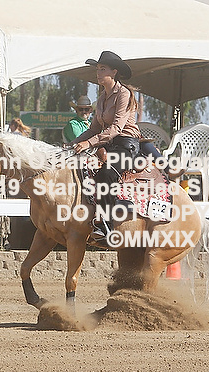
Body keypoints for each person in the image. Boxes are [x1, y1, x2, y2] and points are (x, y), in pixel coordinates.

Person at [69, 51, 142, 240]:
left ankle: (107, 226)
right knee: (80, 168)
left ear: (114, 72)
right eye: (97, 69)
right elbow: (94, 128)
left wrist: (88, 143)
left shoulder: (124, 94)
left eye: (103, 69)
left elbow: (117, 128)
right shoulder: (102, 97)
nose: (98, 73)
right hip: (109, 144)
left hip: (126, 145)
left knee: (106, 174)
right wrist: (73, 143)